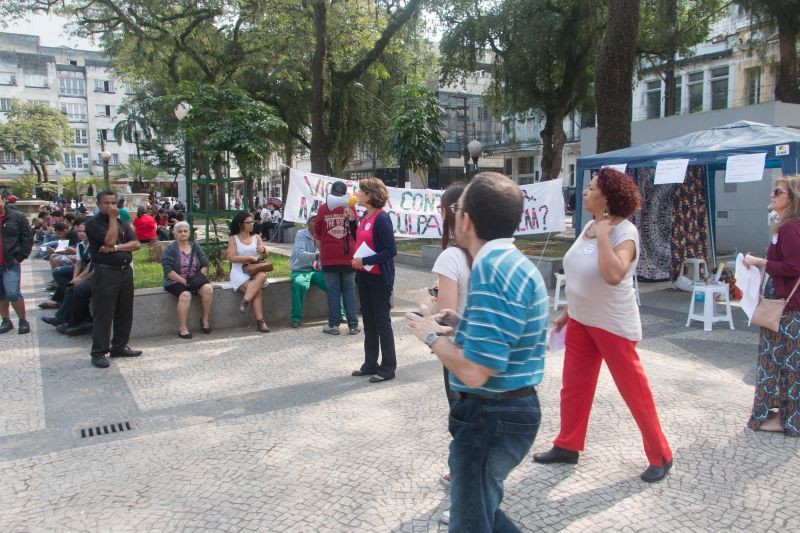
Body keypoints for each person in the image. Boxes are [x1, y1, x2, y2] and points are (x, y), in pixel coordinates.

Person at [405, 172, 548, 531]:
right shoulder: (507, 262)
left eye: (457, 208)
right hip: (503, 412)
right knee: (482, 513)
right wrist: (461, 323)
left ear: (465, 219)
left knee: (470, 523)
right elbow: (505, 337)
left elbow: (474, 372)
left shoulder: (493, 269)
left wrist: (430, 336)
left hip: (493, 416)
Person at [533, 167, 673, 483]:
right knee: (573, 388)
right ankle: (567, 445)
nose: (585, 191)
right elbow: (583, 275)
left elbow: (612, 275)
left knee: (635, 393)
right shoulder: (589, 226)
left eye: (592, 187)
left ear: (607, 196)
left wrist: (605, 236)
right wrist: (569, 311)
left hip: (612, 324)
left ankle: (661, 454)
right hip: (582, 320)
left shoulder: (625, 233)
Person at [414, 182, 472, 524]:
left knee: (463, 420)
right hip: (483, 345)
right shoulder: (490, 252)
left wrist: (424, 304)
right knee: (473, 418)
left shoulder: (451, 256)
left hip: (459, 348)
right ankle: (464, 475)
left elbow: (444, 318)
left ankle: (467, 492)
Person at [743, 175, 800, 435]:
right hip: (782, 308)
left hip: (785, 310)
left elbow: (794, 267)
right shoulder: (785, 226)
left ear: (792, 197)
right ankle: (783, 416)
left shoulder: (790, 228)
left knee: (783, 365)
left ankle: (785, 419)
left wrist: (760, 262)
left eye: (778, 192)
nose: (772, 195)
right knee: (781, 364)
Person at [84, 190, 143, 368]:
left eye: (113, 203)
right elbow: (108, 241)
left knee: (125, 311)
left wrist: (117, 247)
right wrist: (111, 220)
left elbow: (136, 244)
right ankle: (99, 352)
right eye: (106, 203)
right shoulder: (93, 224)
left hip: (125, 272)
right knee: (104, 313)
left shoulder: (123, 223)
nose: (111, 207)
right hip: (106, 273)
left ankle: (119, 346)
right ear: (98, 205)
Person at [350, 177, 396, 382]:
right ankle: (370, 364)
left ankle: (388, 368)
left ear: (369, 195)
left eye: (360, 191)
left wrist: (366, 260)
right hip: (365, 276)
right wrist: (352, 222)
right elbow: (359, 239)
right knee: (368, 321)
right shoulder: (364, 217)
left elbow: (390, 250)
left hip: (379, 277)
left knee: (382, 323)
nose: (357, 194)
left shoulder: (382, 218)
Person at [315, 182, 359, 335]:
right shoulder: (350, 207)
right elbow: (355, 229)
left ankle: (333, 325)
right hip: (348, 256)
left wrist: (323, 251)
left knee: (333, 291)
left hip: (330, 255)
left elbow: (317, 233)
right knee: (349, 290)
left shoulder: (322, 208)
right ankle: (353, 325)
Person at [162, 221, 214, 339]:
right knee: (185, 295)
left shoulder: (195, 247)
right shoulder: (169, 249)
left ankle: (205, 320)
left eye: (185, 231)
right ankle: (182, 328)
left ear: (189, 233)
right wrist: (185, 282)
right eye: (179, 232)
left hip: (194, 279)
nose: (183, 234)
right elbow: (168, 271)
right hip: (175, 280)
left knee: (208, 289)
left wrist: (197, 279)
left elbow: (205, 264)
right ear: (175, 234)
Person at [227, 211, 271, 333]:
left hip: (254, 269)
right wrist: (249, 258)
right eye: (248, 222)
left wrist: (263, 250)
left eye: (252, 222)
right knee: (256, 292)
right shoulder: (233, 239)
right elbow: (231, 258)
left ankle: (245, 301)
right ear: (241, 224)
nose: (252, 224)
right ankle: (260, 322)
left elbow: (264, 255)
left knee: (262, 274)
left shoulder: (256, 237)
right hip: (239, 270)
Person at [0, 194, 34, 334]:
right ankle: (6, 321)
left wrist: (20, 257)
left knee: (13, 292)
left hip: (10, 262)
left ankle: (22, 320)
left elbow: (27, 237)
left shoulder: (17, 217)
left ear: (2, 201)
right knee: (1, 294)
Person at [289, 215, 329, 328]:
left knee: (332, 284)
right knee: (299, 285)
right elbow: (300, 255)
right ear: (307, 223)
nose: (316, 223)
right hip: (300, 270)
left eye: (318, 221)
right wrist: (318, 256)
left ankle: (340, 314)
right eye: (313, 220)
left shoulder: (323, 235)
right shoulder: (301, 234)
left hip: (316, 270)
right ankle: (296, 318)